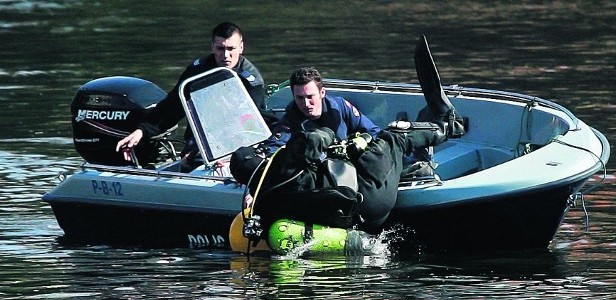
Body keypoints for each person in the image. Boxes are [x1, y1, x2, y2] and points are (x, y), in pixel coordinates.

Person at [231, 67, 464, 236]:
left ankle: (416, 158)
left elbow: (372, 130)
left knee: (388, 141)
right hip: (340, 184)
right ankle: (444, 126)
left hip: (356, 169)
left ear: (322, 93)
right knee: (395, 137)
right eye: (299, 98)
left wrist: (361, 140)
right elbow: (275, 159)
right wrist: (255, 186)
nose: (306, 103)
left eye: (310, 97)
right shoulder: (289, 127)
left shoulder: (339, 107)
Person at [116, 21, 265, 162]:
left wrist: (228, 155)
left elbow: (252, 127)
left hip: (236, 146)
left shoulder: (252, 82)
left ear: (241, 48)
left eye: (231, 49)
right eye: (220, 48)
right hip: (199, 144)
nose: (225, 55)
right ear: (212, 47)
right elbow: (172, 107)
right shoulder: (197, 71)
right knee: (190, 160)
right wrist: (142, 131)